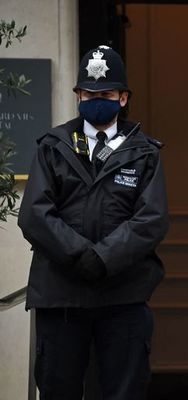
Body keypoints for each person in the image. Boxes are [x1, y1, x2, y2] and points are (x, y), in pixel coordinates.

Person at [18, 45, 169, 400]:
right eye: (89, 93)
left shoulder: (145, 151)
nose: (96, 100)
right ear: (77, 95)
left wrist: (103, 257)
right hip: (61, 295)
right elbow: (35, 214)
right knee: (58, 389)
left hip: (123, 295)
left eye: (106, 94)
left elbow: (152, 219)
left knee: (123, 391)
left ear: (123, 97)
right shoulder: (53, 146)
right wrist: (79, 255)